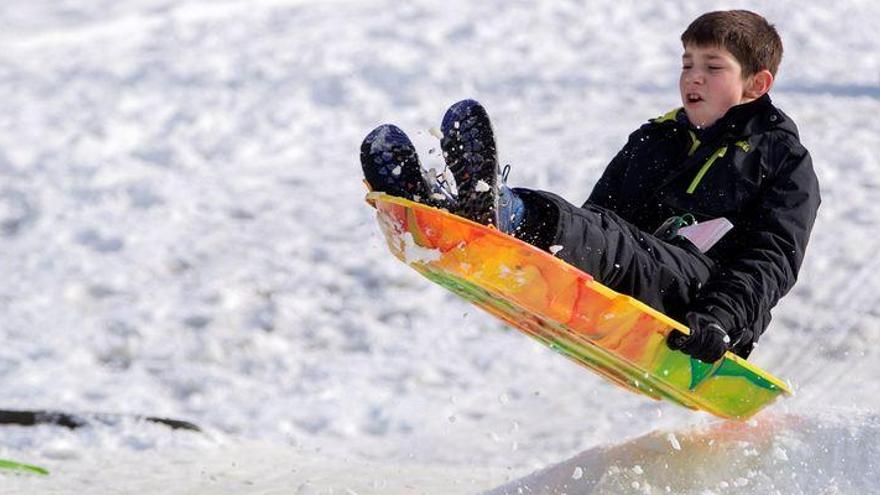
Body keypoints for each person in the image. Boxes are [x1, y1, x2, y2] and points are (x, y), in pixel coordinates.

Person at [360, 10, 820, 364]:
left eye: (712, 67)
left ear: (756, 85)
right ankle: (461, 210)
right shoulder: (656, 138)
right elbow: (596, 219)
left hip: (699, 307)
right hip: (634, 268)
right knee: (599, 229)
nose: (692, 77)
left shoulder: (783, 162)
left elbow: (770, 260)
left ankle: (502, 213)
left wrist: (722, 320)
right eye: (686, 64)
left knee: (615, 240)